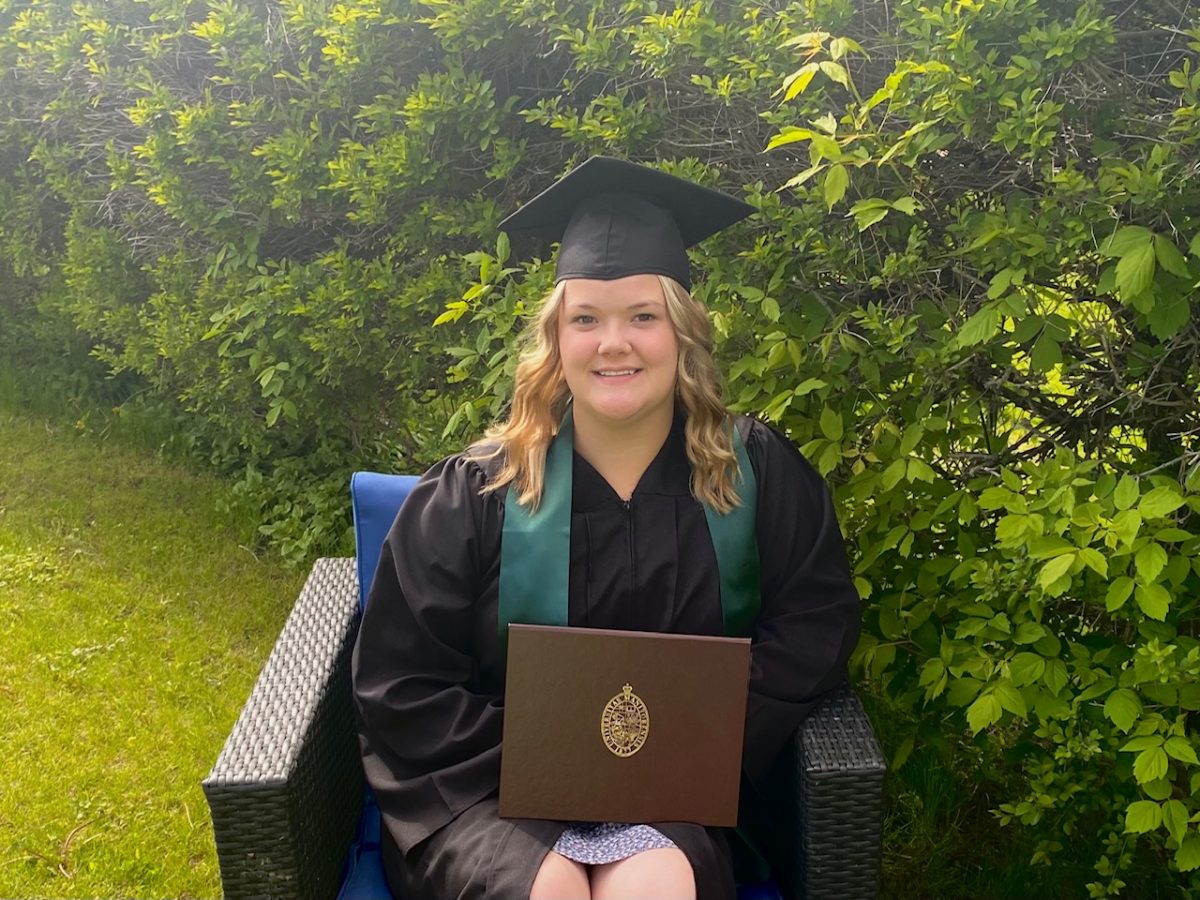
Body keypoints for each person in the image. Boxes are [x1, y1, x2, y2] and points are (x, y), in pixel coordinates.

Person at [352, 157, 861, 900]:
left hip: (679, 791)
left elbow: (814, 624)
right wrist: (549, 756)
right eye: (585, 318)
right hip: (489, 793)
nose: (612, 343)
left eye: (642, 317)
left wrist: (690, 743)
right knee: (546, 890)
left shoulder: (753, 475)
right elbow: (401, 680)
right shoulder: (480, 490)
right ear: (556, 340)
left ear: (682, 333)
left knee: (653, 886)